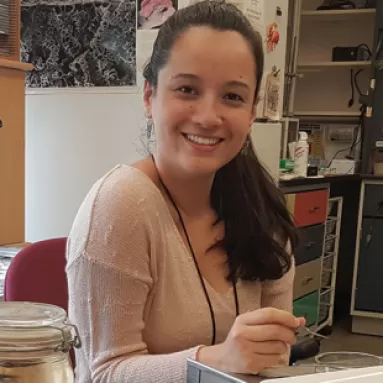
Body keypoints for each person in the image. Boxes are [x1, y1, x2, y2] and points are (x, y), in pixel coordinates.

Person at [66, 1, 305, 382]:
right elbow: (103, 374)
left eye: (232, 97)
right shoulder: (119, 206)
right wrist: (217, 359)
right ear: (150, 96)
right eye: (187, 89)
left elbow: (273, 362)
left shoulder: (262, 211)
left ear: (252, 111)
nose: (208, 117)